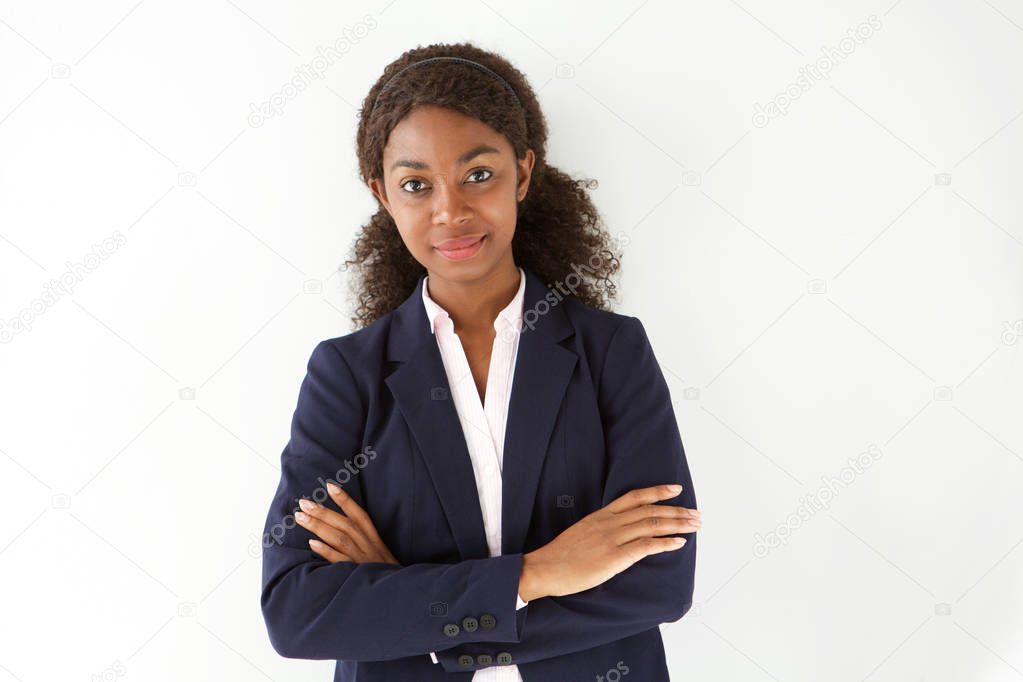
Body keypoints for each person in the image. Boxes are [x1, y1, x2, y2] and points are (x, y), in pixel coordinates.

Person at [260, 41, 701, 682]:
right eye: (417, 184)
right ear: (383, 194)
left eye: (479, 174)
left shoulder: (611, 353)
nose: (451, 210)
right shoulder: (346, 376)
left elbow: (660, 581)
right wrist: (540, 572)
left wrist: (414, 608)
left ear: (523, 173)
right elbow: (297, 610)